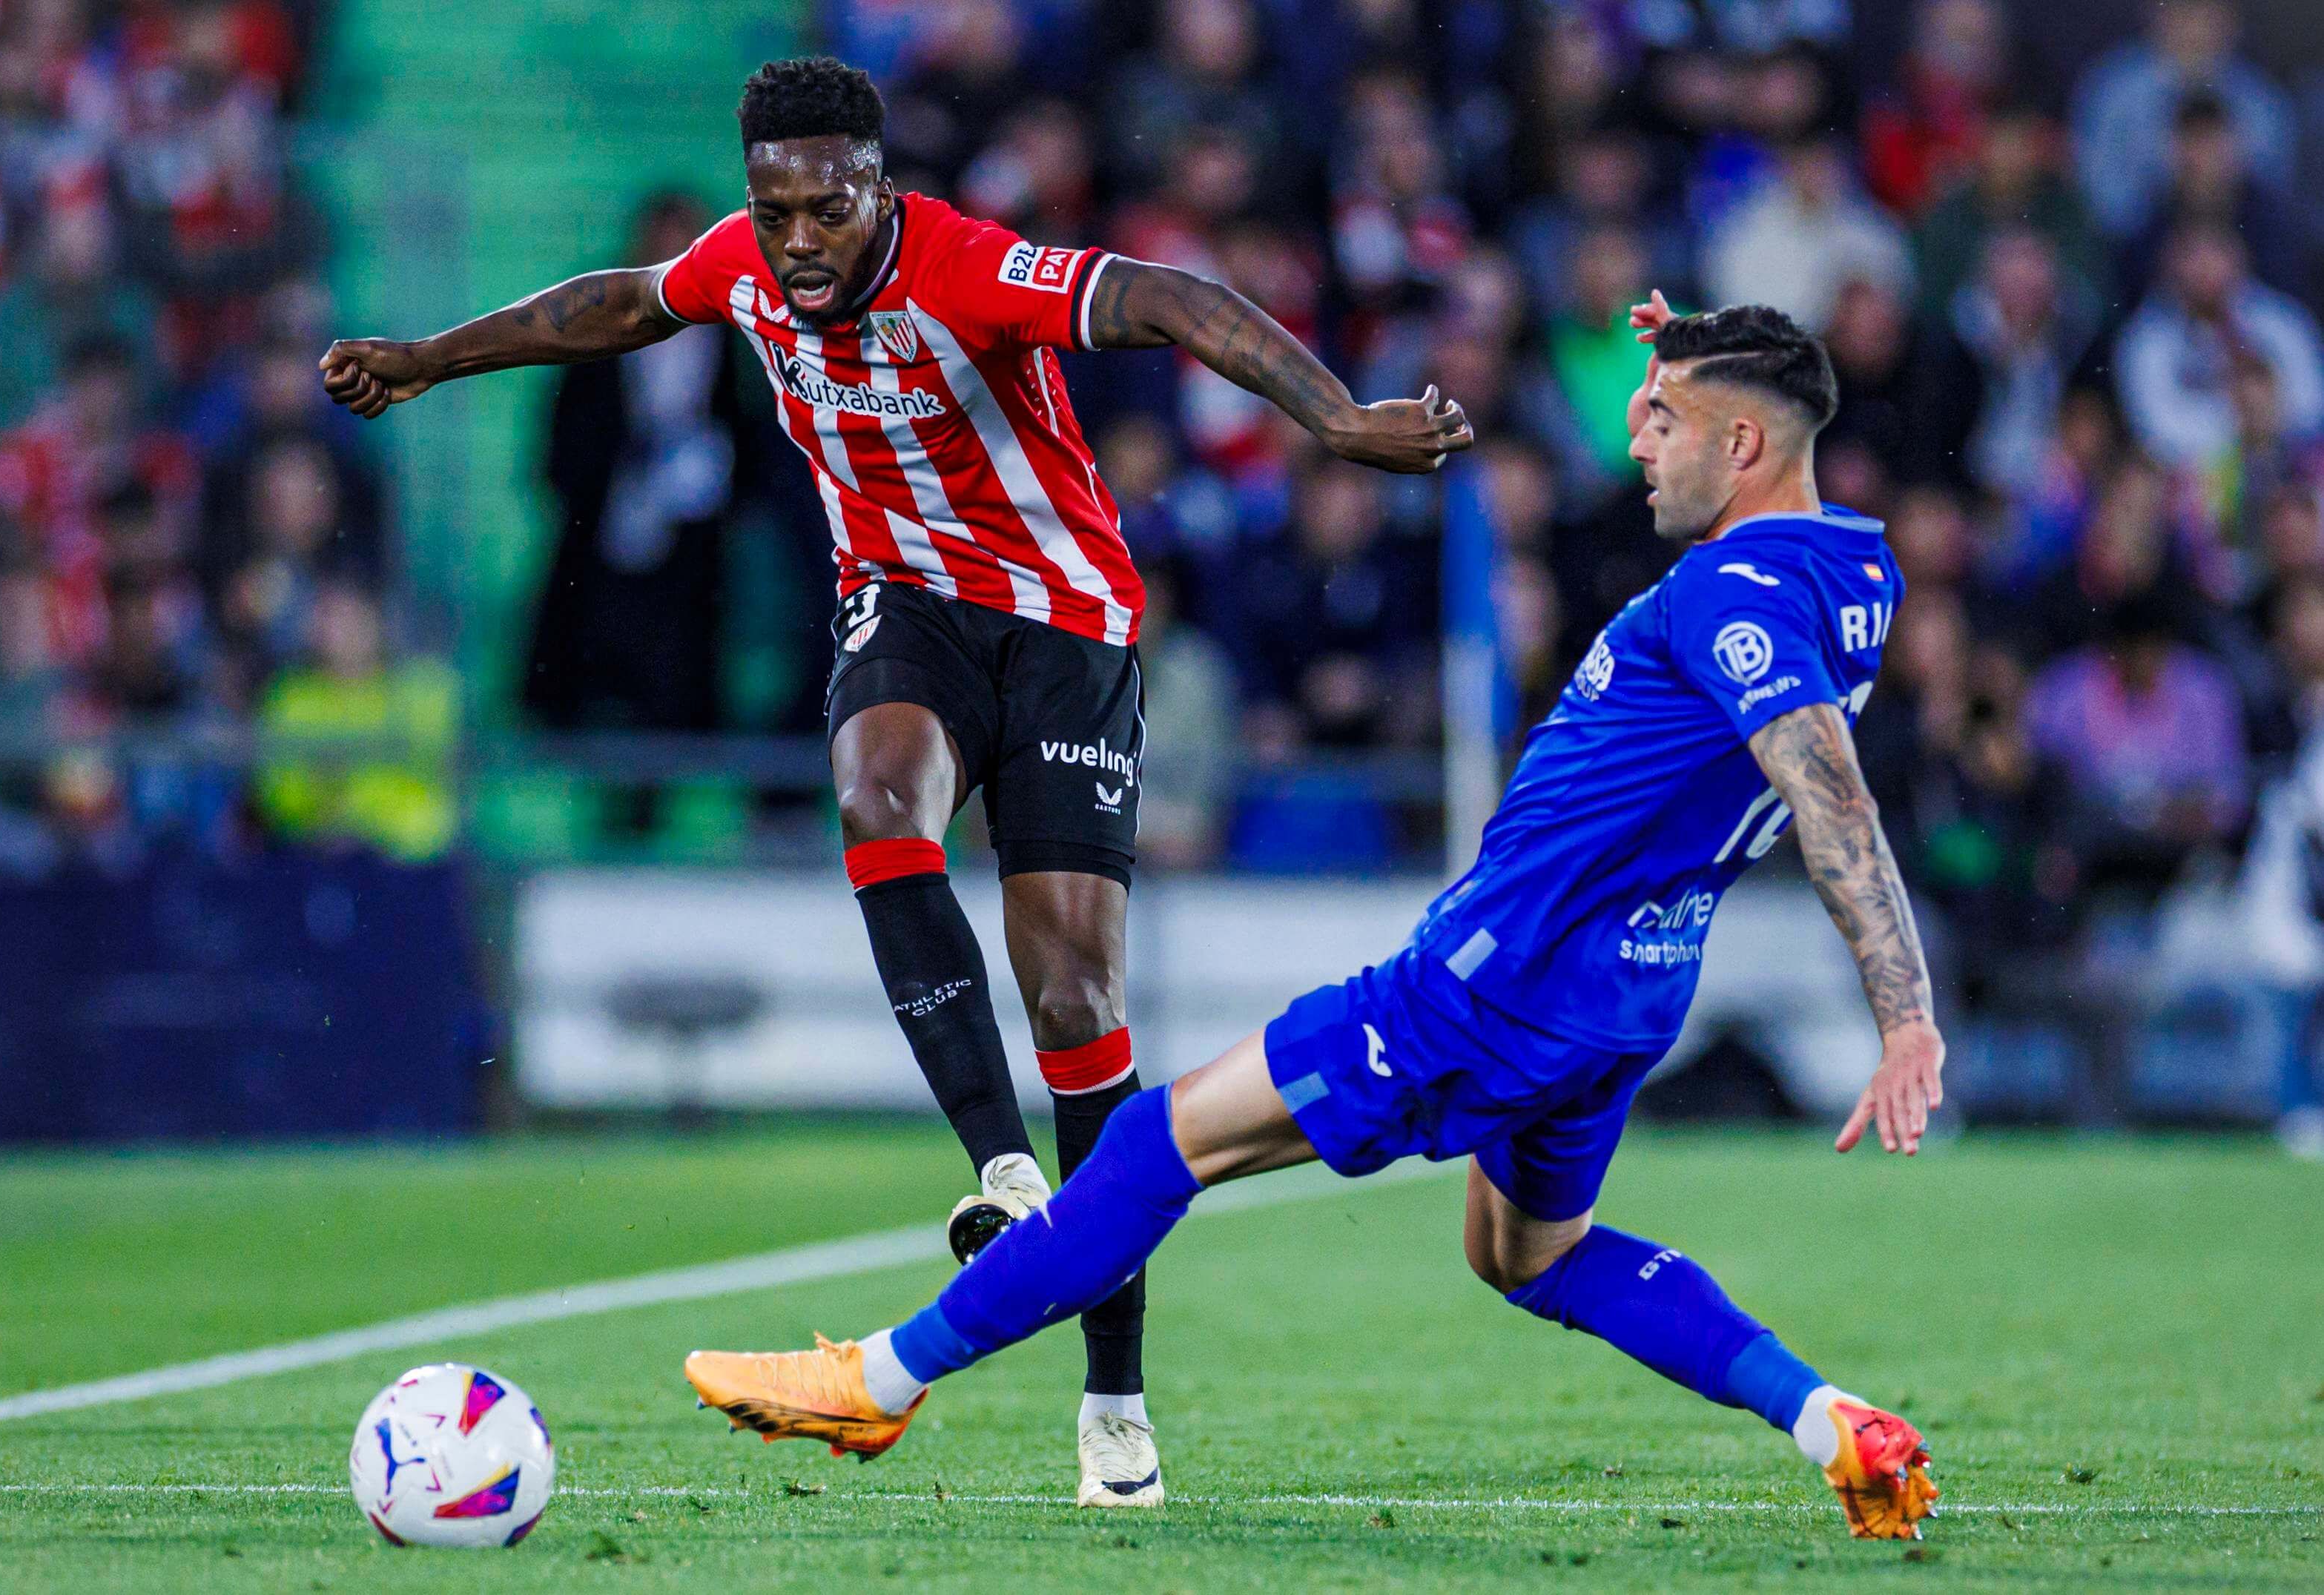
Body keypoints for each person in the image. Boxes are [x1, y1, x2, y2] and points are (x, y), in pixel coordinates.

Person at [318, 55, 1470, 1510]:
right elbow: (620, 301)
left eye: (826, 208)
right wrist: (428, 358)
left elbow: (1173, 300)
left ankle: (1114, 1386)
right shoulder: (746, 261)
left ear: (880, 186)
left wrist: (1334, 416)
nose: (797, 239)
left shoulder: (971, 266)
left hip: (1061, 617)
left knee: (1074, 998)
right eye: (774, 208)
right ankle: (1003, 1172)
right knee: (877, 793)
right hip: (902, 600)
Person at [678, 300, 1947, 1542]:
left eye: (1663, 420)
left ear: (1742, 448)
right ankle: (1825, 1418)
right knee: (1531, 1260)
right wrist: (1696, 339)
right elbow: (1772, 432)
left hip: (1490, 985)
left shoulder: (1734, 593)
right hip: (1628, 991)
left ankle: (876, 1386)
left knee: (1145, 1149)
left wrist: (1905, 1018)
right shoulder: (1856, 567)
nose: (1635, 444)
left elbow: (1831, 797)